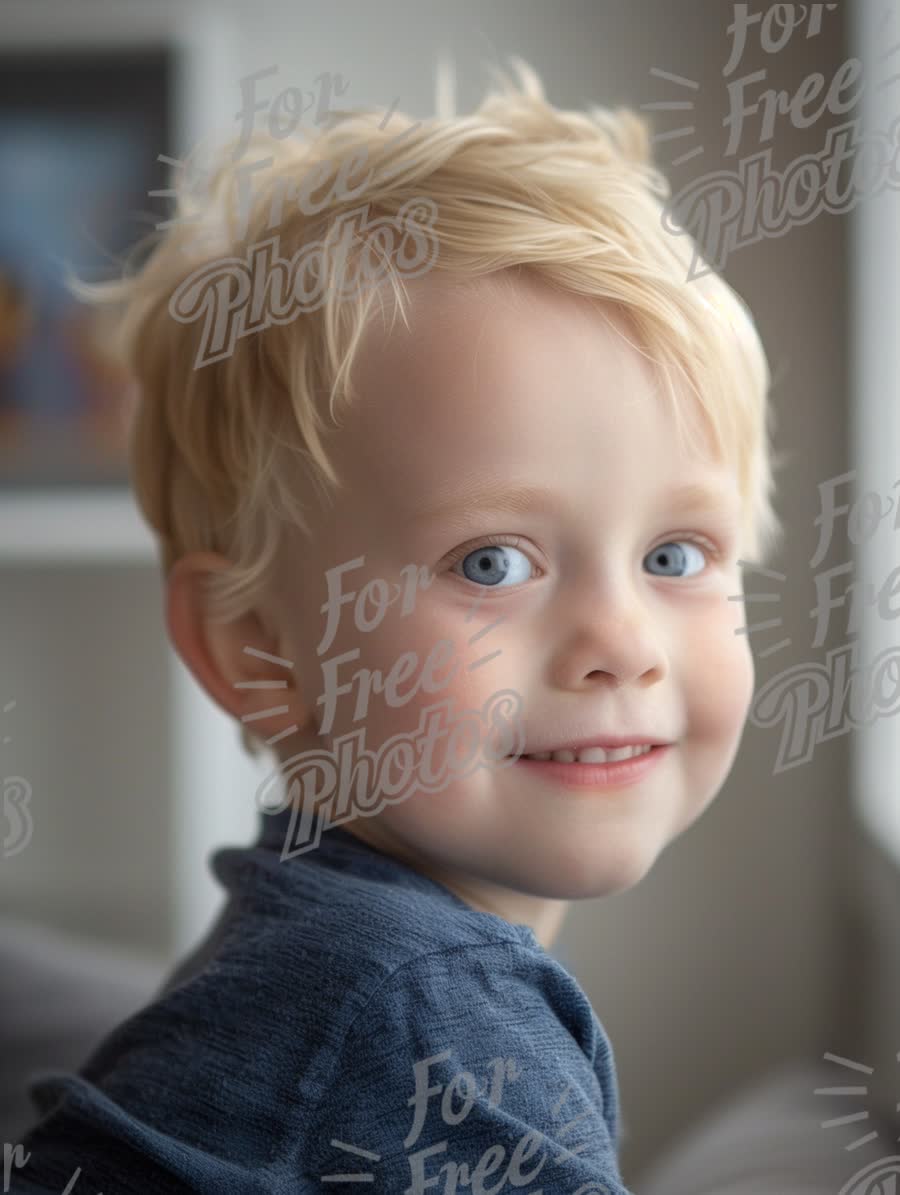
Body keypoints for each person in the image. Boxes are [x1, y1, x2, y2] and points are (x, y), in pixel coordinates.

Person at [9, 57, 784, 1193]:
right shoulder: (425, 1014)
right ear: (255, 649)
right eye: (494, 560)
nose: (622, 640)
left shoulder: (313, 930)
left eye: (676, 554)